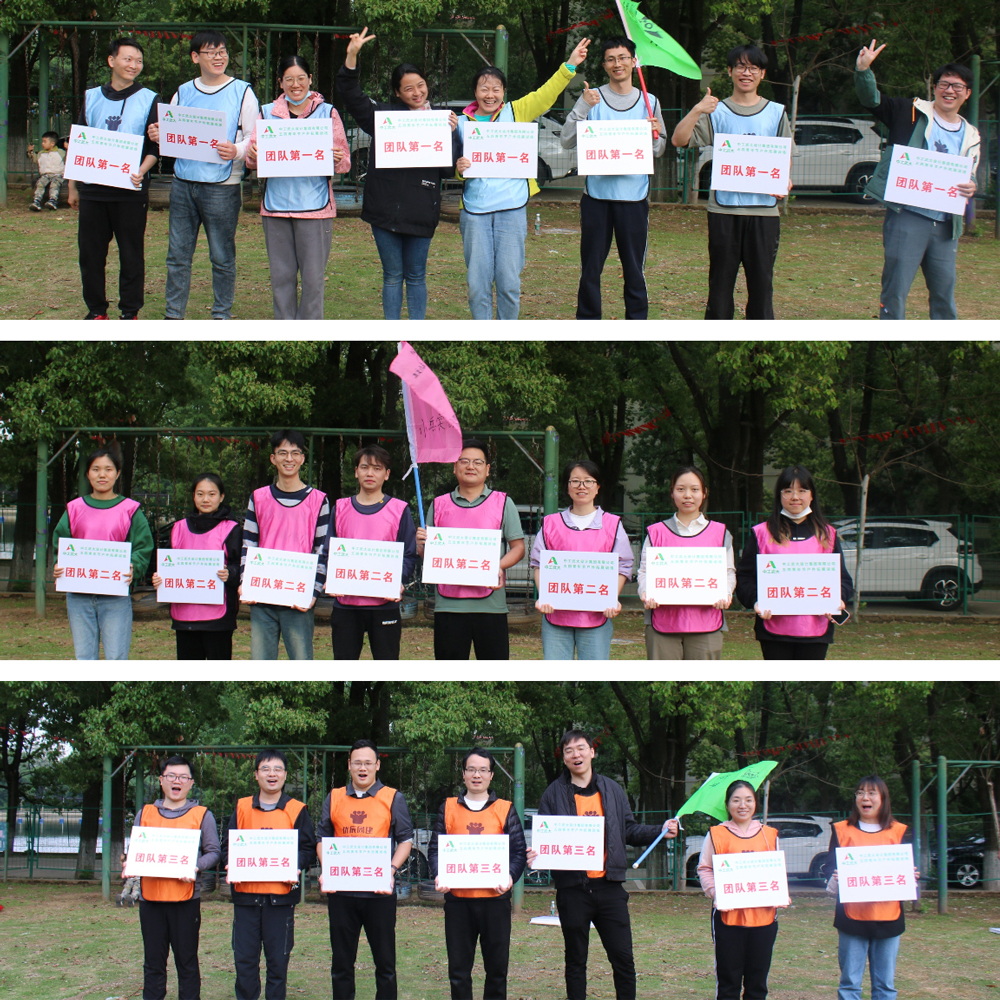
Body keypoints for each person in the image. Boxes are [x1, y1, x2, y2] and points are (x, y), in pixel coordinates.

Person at [529, 730, 679, 1000]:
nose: (576, 755)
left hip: (610, 889)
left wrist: (659, 830)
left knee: (623, 959)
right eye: (569, 751)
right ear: (564, 758)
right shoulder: (553, 794)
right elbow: (546, 838)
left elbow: (629, 830)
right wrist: (536, 853)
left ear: (592, 752)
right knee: (576, 960)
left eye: (581, 748)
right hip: (573, 890)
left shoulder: (612, 790)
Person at [455, 38, 591, 320]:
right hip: (475, 212)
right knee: (477, 286)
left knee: (508, 284)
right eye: (484, 89)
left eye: (496, 89)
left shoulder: (517, 111)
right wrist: (459, 167)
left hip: (512, 209)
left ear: (504, 92)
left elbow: (546, 94)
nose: (490, 95)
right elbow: (451, 165)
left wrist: (570, 65)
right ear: (475, 92)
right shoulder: (461, 124)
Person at [336, 28, 461, 320]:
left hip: (421, 210)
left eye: (420, 85)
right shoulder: (384, 118)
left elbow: (447, 169)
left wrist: (450, 135)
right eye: (408, 88)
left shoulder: (442, 121)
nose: (417, 93)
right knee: (392, 276)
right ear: (397, 93)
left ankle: (414, 337)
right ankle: (393, 335)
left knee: (416, 276)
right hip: (385, 211)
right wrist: (352, 56)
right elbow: (352, 96)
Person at [855, 41, 980, 320]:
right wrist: (863, 71)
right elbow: (872, 100)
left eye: (957, 86)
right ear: (934, 88)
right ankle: (891, 339)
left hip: (946, 222)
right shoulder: (910, 111)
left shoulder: (972, 134)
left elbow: (969, 173)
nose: (949, 90)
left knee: (944, 291)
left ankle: (945, 341)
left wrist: (972, 185)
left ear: (967, 93)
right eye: (944, 84)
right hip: (907, 215)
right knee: (896, 288)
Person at [671, 44, 792, 320]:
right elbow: (679, 139)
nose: (746, 73)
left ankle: (759, 341)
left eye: (753, 68)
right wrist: (697, 109)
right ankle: (716, 338)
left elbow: (784, 154)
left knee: (762, 286)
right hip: (724, 211)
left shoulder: (776, 112)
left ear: (762, 74)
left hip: (763, 212)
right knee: (720, 285)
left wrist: (785, 179)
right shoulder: (716, 111)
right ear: (729, 71)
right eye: (740, 66)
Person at [148, 29, 259, 320]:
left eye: (222, 51)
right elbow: (170, 132)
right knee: (177, 256)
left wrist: (236, 150)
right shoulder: (183, 92)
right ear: (196, 57)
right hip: (183, 183)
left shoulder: (242, 92)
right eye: (211, 52)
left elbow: (255, 137)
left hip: (223, 186)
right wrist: (158, 134)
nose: (219, 57)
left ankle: (221, 314)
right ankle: (173, 315)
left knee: (222, 256)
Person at [560, 36, 667, 320]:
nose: (617, 64)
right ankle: (588, 322)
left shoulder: (649, 101)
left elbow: (659, 149)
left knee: (634, 269)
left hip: (634, 199)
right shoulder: (592, 97)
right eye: (610, 59)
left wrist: (654, 134)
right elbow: (567, 141)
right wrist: (582, 108)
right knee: (590, 268)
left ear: (634, 61)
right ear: (604, 65)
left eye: (622, 58)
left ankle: (636, 323)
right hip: (596, 198)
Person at [241, 55, 351, 319]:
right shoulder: (267, 113)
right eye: (289, 79)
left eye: (301, 78)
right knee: (281, 277)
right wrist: (253, 155)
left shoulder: (328, 112)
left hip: (315, 208)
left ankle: (310, 332)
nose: (295, 84)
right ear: (281, 83)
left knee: (313, 280)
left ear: (310, 80)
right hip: (276, 206)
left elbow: (345, 162)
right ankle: (285, 330)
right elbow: (251, 161)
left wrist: (337, 158)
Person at [68, 37, 159, 320]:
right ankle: (96, 311)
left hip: (130, 191)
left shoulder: (149, 98)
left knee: (131, 254)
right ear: (111, 61)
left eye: (139, 61)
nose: (134, 65)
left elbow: (155, 147)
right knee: (90, 254)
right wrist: (72, 186)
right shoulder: (91, 97)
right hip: (93, 191)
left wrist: (141, 171)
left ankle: (129, 311)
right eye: (127, 59)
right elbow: (79, 143)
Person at [315, 739, 414, 1000]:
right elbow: (322, 838)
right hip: (342, 893)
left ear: (377, 765)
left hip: (378, 893)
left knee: (385, 964)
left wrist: (390, 870)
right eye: (357, 763)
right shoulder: (335, 797)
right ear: (349, 765)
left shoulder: (393, 797)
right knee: (341, 964)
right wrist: (328, 868)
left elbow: (405, 840)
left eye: (368, 763)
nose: (362, 768)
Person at [428, 747, 528, 1000]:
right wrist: (439, 874)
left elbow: (518, 852)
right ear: (463, 773)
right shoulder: (448, 807)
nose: (477, 775)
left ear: (491, 775)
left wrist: (509, 877)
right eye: (471, 769)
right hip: (458, 902)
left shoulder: (505, 809)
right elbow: (435, 849)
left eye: (483, 770)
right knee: (458, 971)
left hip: (495, 901)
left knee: (497, 970)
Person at [415, 439, 526, 660]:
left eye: (477, 462)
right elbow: (428, 555)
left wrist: (497, 566)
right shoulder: (438, 505)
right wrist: (421, 545)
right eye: (464, 461)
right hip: (449, 606)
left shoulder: (503, 503)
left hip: (491, 606)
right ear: (454, 467)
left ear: (487, 469)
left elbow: (518, 548)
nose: (470, 466)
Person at [221, 749, 316, 1000]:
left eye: (277, 769)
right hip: (246, 899)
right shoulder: (242, 807)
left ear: (285, 775)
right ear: (256, 775)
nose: (271, 774)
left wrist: (296, 865)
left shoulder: (296, 810)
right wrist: (230, 863)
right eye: (265, 769)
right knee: (245, 963)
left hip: (280, 901)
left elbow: (308, 849)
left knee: (277, 964)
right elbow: (227, 846)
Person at [736, 464, 853, 660]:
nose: (795, 497)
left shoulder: (827, 534)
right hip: (773, 630)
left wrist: (838, 599)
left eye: (802, 490)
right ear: (779, 495)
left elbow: (844, 581)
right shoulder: (761, 533)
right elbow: (744, 577)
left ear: (812, 495)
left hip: (816, 630)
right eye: (788, 491)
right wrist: (756, 601)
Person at [51, 446, 154, 660]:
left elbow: (143, 547)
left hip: (115, 594)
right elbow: (60, 545)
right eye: (96, 469)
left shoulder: (130, 510)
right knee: (84, 657)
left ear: (117, 473)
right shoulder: (74, 509)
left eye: (108, 469)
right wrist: (58, 564)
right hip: (78, 594)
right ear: (87, 474)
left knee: (116, 657)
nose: (102, 475)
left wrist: (134, 567)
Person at [134, 754, 221, 1000]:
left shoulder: (202, 815)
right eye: (171, 775)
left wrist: (195, 867)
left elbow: (214, 852)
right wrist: (128, 861)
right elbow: (136, 851)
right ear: (161, 780)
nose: (177, 781)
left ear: (191, 783)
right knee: (153, 963)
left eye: (183, 777)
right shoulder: (145, 813)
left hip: (186, 901)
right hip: (151, 900)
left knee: (187, 962)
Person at [240, 429, 330, 659]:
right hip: (263, 595)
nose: (289, 459)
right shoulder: (258, 497)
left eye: (295, 453)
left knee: (301, 662)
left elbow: (322, 550)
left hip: (298, 596)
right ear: (273, 458)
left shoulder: (318, 500)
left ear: (302, 458)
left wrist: (314, 592)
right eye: (282, 453)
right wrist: (244, 582)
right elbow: (249, 543)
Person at [529, 460, 633, 659]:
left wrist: (611, 598)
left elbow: (624, 565)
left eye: (588, 481)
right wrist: (545, 597)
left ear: (598, 486)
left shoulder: (612, 525)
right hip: (556, 615)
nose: (581, 486)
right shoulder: (551, 523)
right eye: (575, 481)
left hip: (596, 616)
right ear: (567, 487)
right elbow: (539, 564)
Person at [323, 444, 417, 659]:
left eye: (377, 468)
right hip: (346, 604)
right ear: (356, 472)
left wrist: (398, 580)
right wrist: (331, 576)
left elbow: (409, 554)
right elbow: (328, 552)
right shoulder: (340, 508)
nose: (370, 473)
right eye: (364, 467)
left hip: (384, 604)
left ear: (387, 474)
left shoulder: (399, 510)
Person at [827, 775, 916, 1000]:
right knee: (849, 984)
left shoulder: (899, 831)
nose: (865, 797)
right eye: (860, 793)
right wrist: (835, 877)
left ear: (883, 798)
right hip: (851, 918)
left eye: (871, 793)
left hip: (889, 917)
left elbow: (906, 872)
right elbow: (829, 872)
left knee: (885, 985)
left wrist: (911, 876)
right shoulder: (841, 830)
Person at [698, 780, 786, 1000]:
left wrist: (781, 893)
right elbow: (705, 868)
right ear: (727, 804)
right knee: (729, 982)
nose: (742, 805)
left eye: (748, 800)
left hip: (764, 920)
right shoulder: (716, 834)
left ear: (755, 803)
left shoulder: (769, 835)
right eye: (736, 800)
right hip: (729, 920)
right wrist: (716, 893)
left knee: (757, 983)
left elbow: (777, 871)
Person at [637, 466, 735, 660]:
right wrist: (646, 592)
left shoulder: (720, 533)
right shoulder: (656, 532)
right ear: (672, 493)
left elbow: (728, 572)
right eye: (681, 489)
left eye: (694, 489)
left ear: (704, 493)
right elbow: (644, 572)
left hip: (707, 623)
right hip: (663, 623)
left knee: (702, 679)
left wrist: (726, 593)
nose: (687, 495)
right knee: (664, 679)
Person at [150, 473, 242, 660]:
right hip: (184, 616)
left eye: (211, 494)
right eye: (200, 494)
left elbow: (241, 565)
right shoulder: (179, 528)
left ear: (221, 497)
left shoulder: (231, 529)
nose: (205, 499)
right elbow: (166, 564)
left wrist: (230, 573)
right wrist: (159, 578)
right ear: (193, 496)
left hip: (218, 618)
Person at [27, 130, 64, 210]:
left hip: (57, 175)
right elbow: (35, 160)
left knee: (54, 185)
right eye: (42, 141)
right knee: (40, 184)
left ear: (52, 143)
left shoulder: (60, 152)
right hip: (45, 175)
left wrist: (68, 148)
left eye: (44, 141)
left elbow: (69, 158)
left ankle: (53, 200)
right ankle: (37, 201)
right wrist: (31, 152)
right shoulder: (41, 153)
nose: (42, 143)